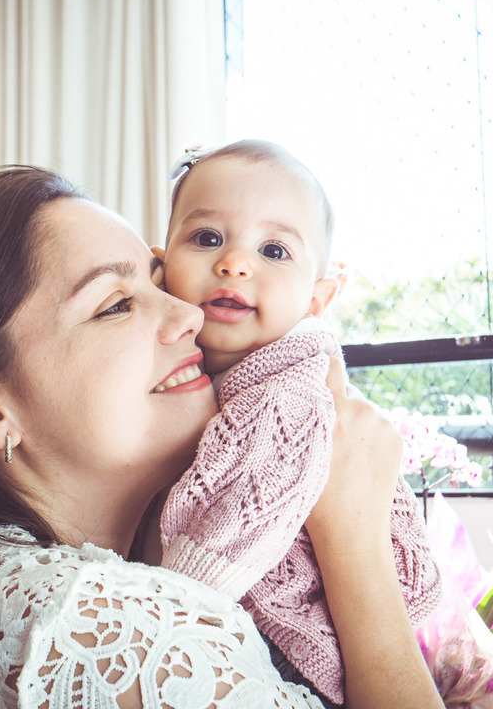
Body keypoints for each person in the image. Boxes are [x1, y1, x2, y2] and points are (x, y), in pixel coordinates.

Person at [0, 166, 444, 709]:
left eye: (157, 281)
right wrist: (353, 535)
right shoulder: (117, 632)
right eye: (115, 304)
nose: (191, 314)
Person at [151, 141, 442, 706]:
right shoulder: (194, 368)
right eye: (207, 238)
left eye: (274, 250)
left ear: (317, 298)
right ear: (161, 268)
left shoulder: (286, 388)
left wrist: (169, 598)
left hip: (300, 636)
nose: (235, 263)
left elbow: (227, 531)